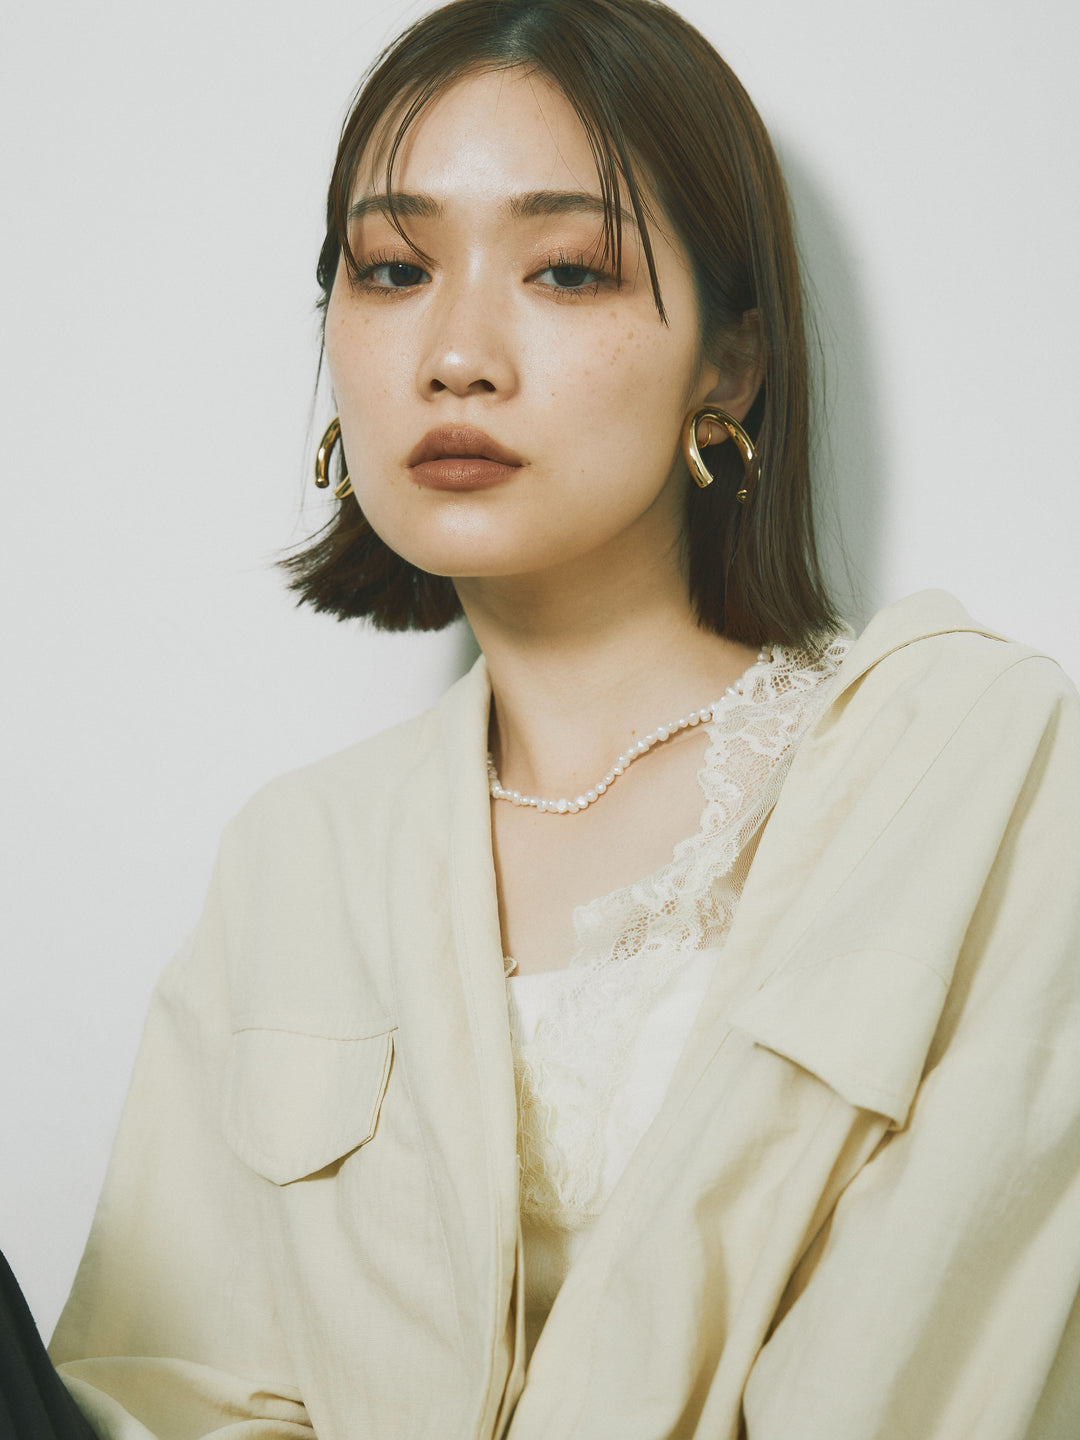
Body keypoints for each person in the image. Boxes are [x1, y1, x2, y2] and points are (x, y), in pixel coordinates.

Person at [3, 0, 1078, 1435]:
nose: (457, 354)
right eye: (394, 270)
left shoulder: (972, 763)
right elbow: (162, 1389)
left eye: (567, 269)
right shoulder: (294, 861)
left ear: (731, 366)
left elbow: (927, 1366)